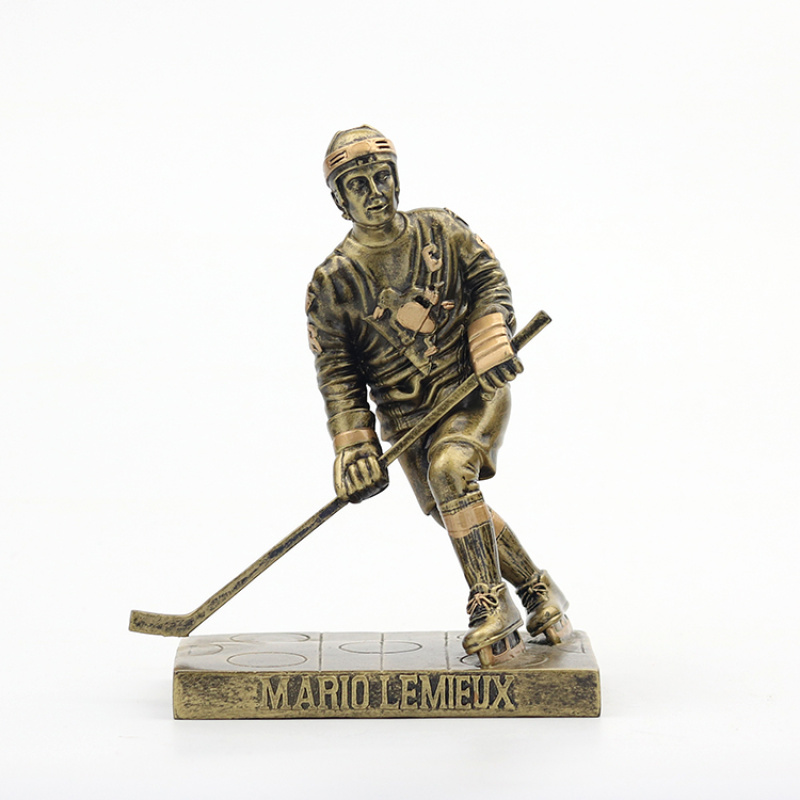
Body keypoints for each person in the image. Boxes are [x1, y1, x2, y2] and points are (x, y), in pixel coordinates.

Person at [306, 125, 570, 665]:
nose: (375, 192)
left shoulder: (442, 229)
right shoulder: (331, 284)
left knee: (450, 471)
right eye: (358, 184)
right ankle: (539, 590)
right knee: (455, 508)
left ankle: (491, 604)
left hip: (472, 388)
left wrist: (490, 336)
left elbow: (487, 280)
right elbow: (337, 372)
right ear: (339, 200)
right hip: (405, 419)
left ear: (397, 178)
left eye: (382, 177)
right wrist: (355, 447)